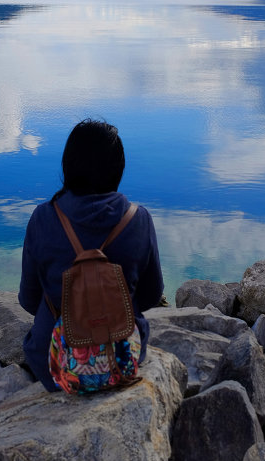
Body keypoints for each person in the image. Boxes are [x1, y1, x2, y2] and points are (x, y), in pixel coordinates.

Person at [18, 119, 164, 391]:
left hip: (55, 364)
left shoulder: (43, 218)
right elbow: (150, 296)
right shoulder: (138, 219)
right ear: (117, 169)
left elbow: (28, 299)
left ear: (69, 165)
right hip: (122, 355)